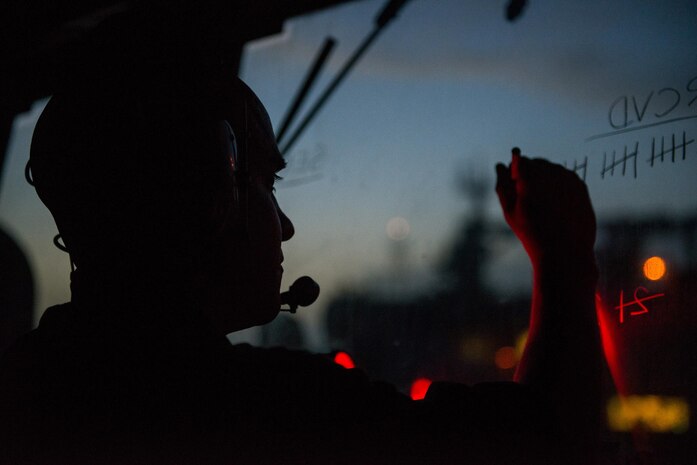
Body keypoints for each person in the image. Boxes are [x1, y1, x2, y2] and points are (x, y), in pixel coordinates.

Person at [0, 69, 603, 464]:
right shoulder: (279, 411)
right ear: (212, 190)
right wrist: (562, 256)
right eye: (266, 181)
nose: (285, 225)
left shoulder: (24, 385)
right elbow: (556, 441)